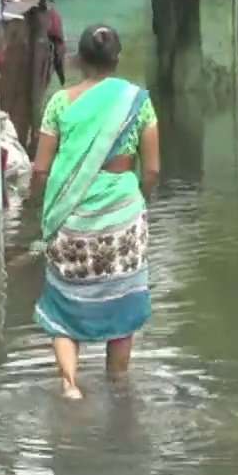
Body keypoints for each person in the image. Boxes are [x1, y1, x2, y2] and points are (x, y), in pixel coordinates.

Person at [29, 25, 161, 400]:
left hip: (70, 220)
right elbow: (151, 170)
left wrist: (42, 205)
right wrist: (140, 201)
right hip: (123, 221)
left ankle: (70, 384)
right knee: (122, 303)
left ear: (77, 59)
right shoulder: (138, 101)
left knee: (64, 302)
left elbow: (40, 169)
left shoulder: (60, 102)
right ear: (116, 59)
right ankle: (118, 385)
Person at [39, 0, 67, 86]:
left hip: (55, 41)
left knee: (58, 62)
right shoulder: (53, 14)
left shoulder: (51, 14)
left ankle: (61, 79)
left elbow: (54, 30)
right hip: (55, 41)